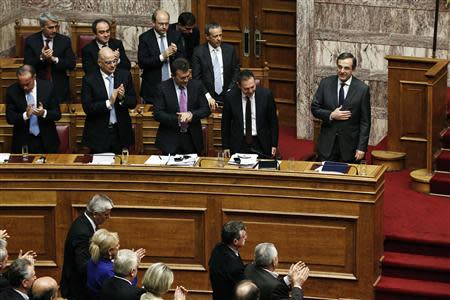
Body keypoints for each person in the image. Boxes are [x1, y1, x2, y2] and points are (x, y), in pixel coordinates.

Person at [311, 52, 371, 163]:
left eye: (346, 68)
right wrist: (331, 115)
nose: (342, 71)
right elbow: (314, 108)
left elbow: (365, 122)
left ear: (353, 69)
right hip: (327, 145)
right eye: (339, 67)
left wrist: (361, 148)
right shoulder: (325, 83)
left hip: (350, 147)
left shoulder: (362, 89)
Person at [81, 46, 137, 154]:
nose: (112, 65)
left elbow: (133, 102)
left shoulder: (124, 75)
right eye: (108, 62)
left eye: (114, 61)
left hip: (120, 133)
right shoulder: (89, 79)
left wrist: (122, 98)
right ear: (99, 63)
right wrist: (109, 102)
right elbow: (87, 108)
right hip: (99, 133)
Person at [60, 194, 114, 300]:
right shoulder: (82, 232)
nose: (109, 217)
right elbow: (83, 265)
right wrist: (108, 263)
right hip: (78, 290)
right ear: (95, 214)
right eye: (106, 215)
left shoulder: (86, 222)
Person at [153, 57, 210, 155]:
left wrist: (192, 114)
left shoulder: (197, 86)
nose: (186, 80)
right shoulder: (162, 88)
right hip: (170, 139)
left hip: (192, 139)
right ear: (173, 76)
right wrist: (177, 118)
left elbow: (206, 109)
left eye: (188, 76)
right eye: (182, 78)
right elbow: (157, 113)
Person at [221, 69, 279, 158]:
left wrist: (274, 144)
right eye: (246, 89)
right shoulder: (230, 97)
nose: (251, 91)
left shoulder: (266, 95)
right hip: (239, 143)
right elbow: (225, 123)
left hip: (261, 142)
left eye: (253, 87)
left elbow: (273, 122)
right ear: (239, 85)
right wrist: (226, 146)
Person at [5, 64, 61, 154]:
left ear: (34, 77)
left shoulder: (48, 87)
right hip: (23, 141)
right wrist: (25, 115)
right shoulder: (12, 91)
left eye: (27, 84)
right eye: (21, 84)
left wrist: (43, 113)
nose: (25, 87)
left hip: (46, 140)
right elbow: (10, 118)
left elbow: (57, 114)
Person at [23, 12, 76, 103]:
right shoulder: (31, 41)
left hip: (60, 85)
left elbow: (71, 63)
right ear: (42, 27)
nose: (54, 30)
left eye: (56, 27)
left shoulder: (64, 40)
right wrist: (41, 58)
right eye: (50, 27)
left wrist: (54, 59)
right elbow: (27, 65)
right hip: (38, 84)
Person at [138, 9, 185, 104]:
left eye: (166, 24)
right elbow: (142, 63)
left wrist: (176, 53)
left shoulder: (176, 36)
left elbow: (183, 59)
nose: (164, 27)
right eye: (161, 24)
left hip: (174, 85)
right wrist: (162, 56)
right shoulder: (145, 38)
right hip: (152, 88)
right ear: (153, 23)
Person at [192, 22, 240, 110]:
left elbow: (236, 71)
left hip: (227, 93)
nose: (219, 39)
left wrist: (230, 90)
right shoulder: (198, 52)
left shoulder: (230, 50)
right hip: (207, 95)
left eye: (220, 35)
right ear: (207, 37)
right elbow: (196, 78)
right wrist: (207, 96)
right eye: (215, 36)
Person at [244, 243, 309, 300]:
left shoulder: (248, 268)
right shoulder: (275, 288)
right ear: (274, 261)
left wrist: (288, 279)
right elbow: (272, 287)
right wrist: (297, 285)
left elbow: (268, 285)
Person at [208, 220, 247, 300]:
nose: (246, 237)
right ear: (235, 241)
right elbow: (246, 288)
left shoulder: (218, 248)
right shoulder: (234, 267)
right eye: (243, 236)